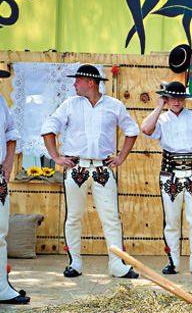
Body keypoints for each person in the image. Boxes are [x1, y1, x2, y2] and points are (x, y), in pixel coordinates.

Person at [41, 64, 139, 279]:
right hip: (77, 168)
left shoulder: (115, 105)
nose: (74, 84)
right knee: (73, 217)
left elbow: (132, 130)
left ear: (91, 82)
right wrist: (56, 157)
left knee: (111, 217)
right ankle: (74, 263)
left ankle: (117, 264)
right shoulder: (69, 104)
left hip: (103, 168)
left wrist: (121, 156)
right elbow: (48, 127)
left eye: (78, 80)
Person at [141, 81, 192, 276]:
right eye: (172, 98)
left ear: (184, 99)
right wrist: (159, 105)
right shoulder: (162, 120)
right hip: (170, 175)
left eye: (179, 97)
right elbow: (145, 129)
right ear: (167, 99)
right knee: (172, 220)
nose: (177, 102)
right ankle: (173, 262)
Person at [0, 80, 30, 304]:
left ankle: (1, 287)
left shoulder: (0, 100)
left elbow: (11, 132)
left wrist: (9, 163)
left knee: (0, 233)